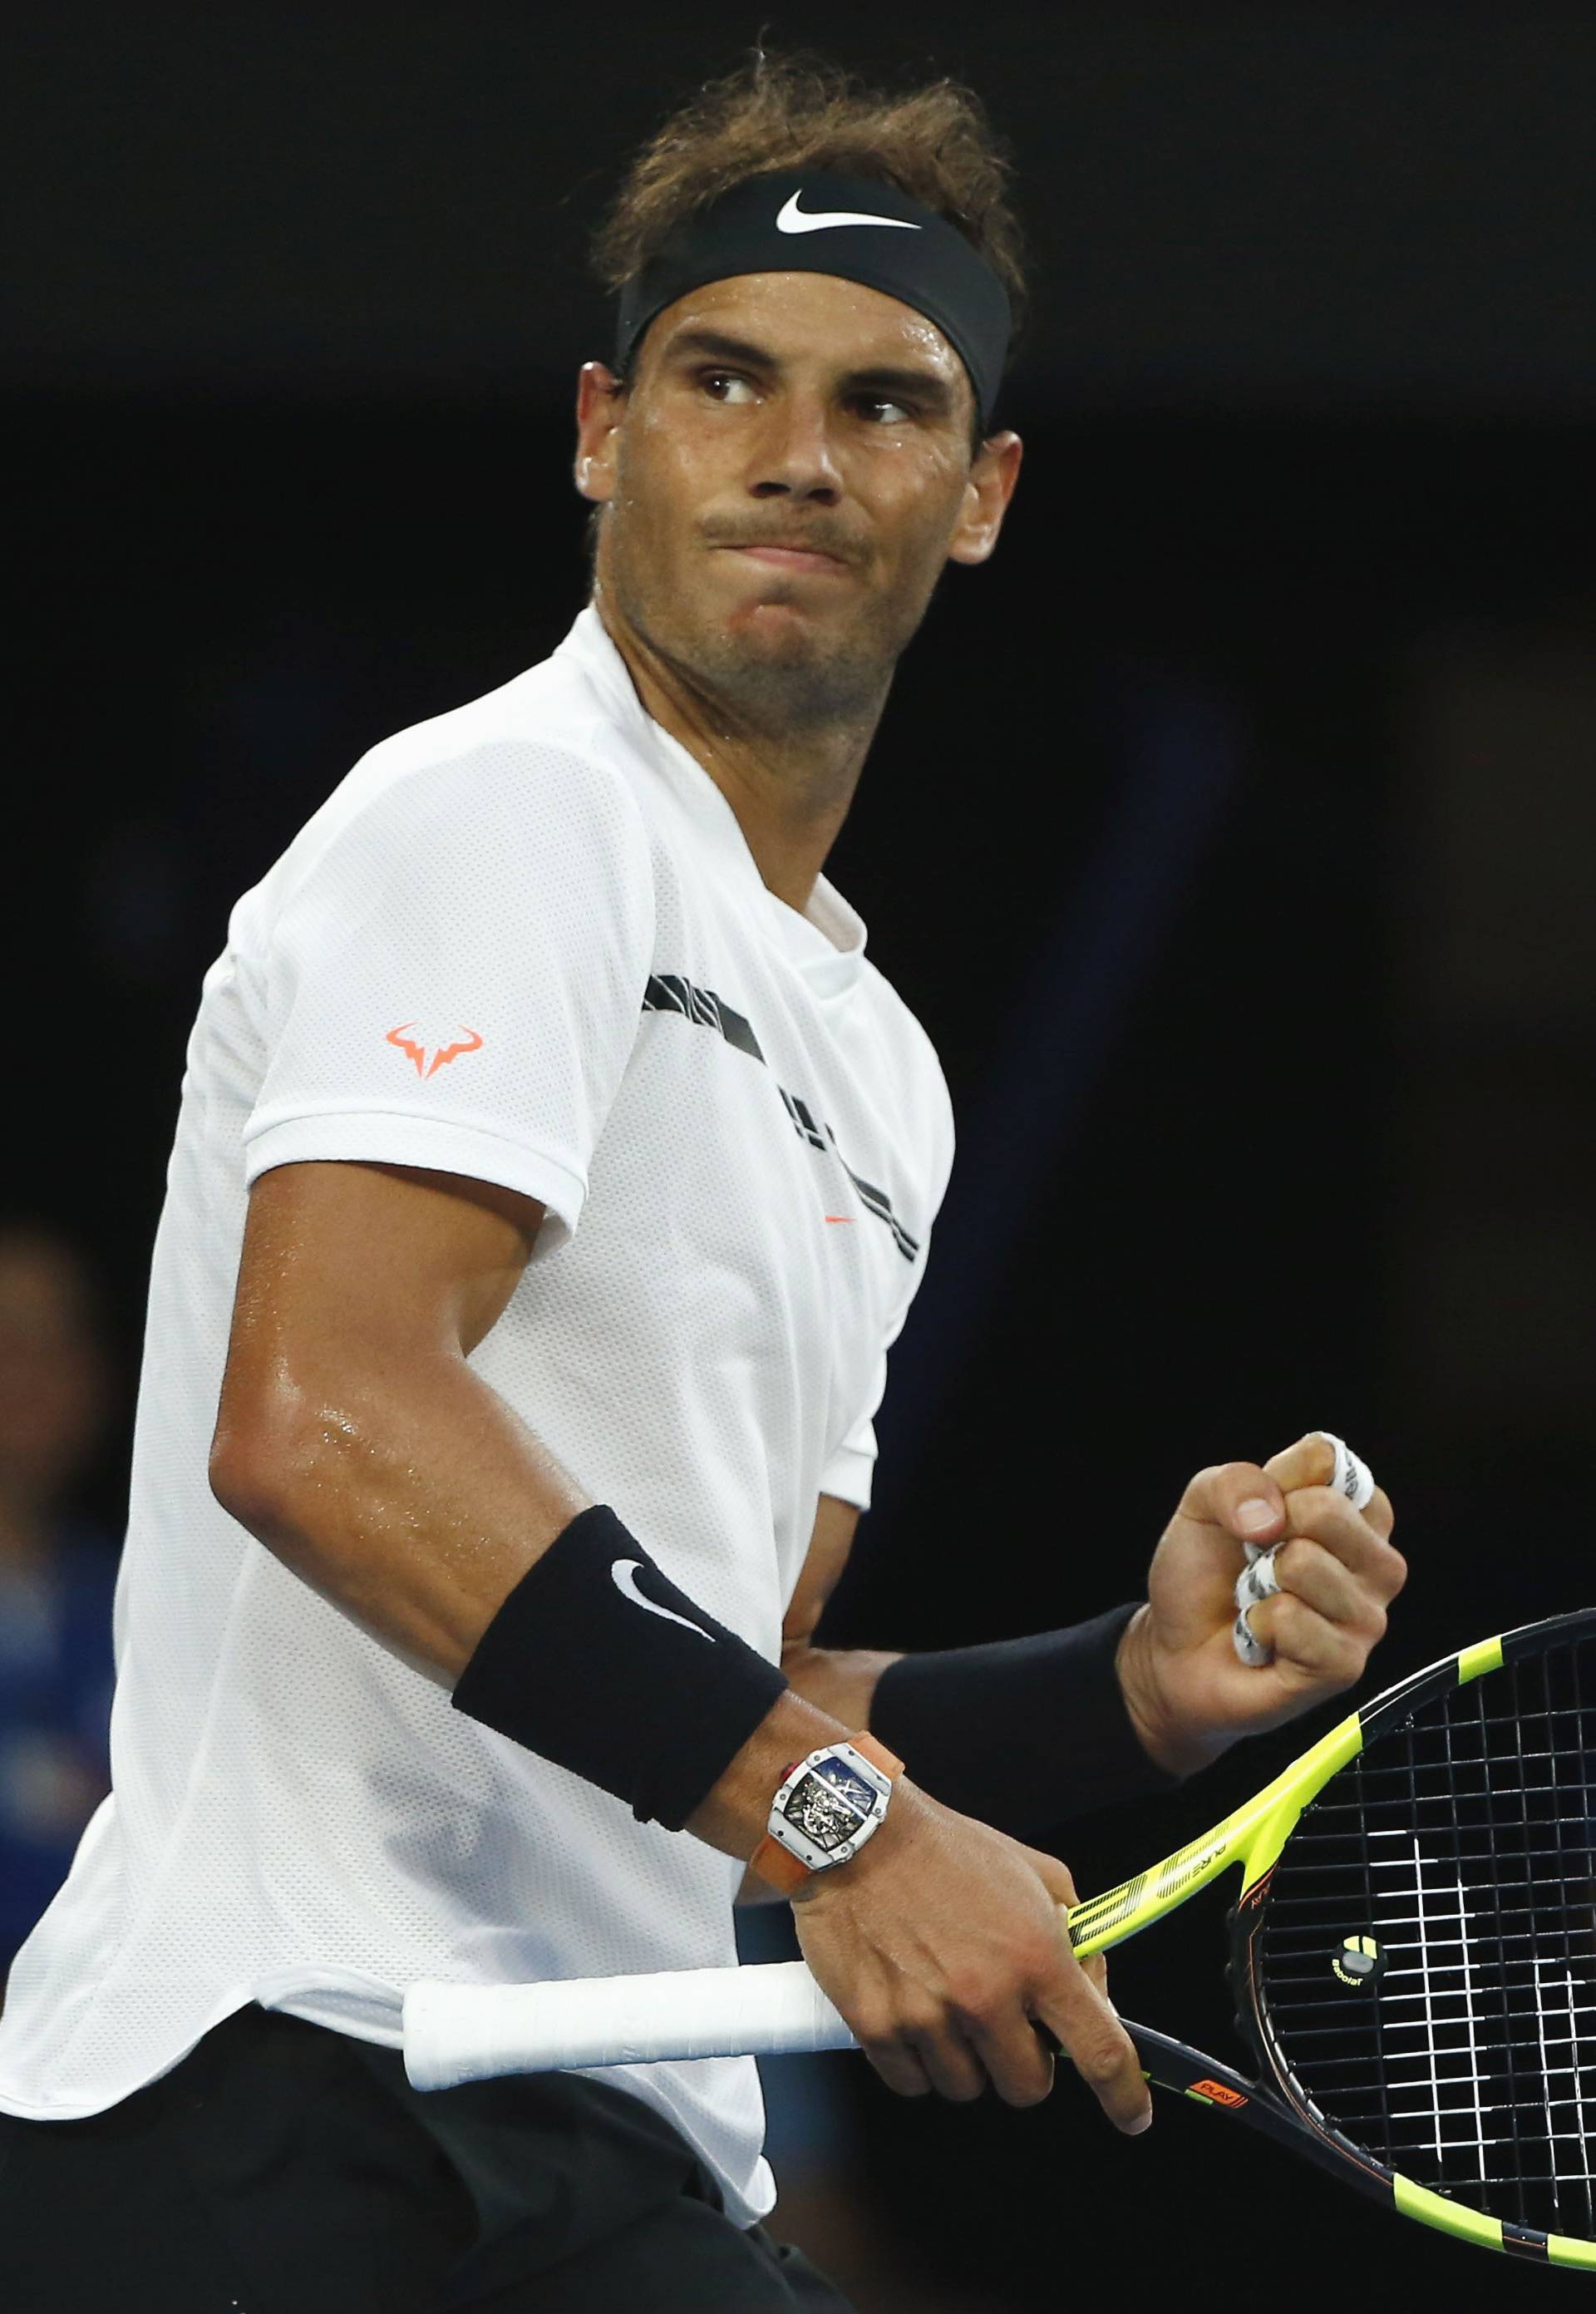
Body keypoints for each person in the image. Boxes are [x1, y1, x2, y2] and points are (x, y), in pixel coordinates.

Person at [0, 52, 1405, 2314]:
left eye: (886, 402)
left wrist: (1117, 1689)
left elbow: (713, 1667)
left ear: (981, 491)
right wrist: (842, 1826)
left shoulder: (880, 1065)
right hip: (282, 2094)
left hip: (604, 2124)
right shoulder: (503, 812)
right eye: (724, 376)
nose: (798, 454)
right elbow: (324, 1415)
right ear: (599, 430)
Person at [0, 1226, 118, 1994]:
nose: (31, 1375)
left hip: (109, 2050)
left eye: (57, 1344)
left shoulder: (137, 1599)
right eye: (7, 1341)